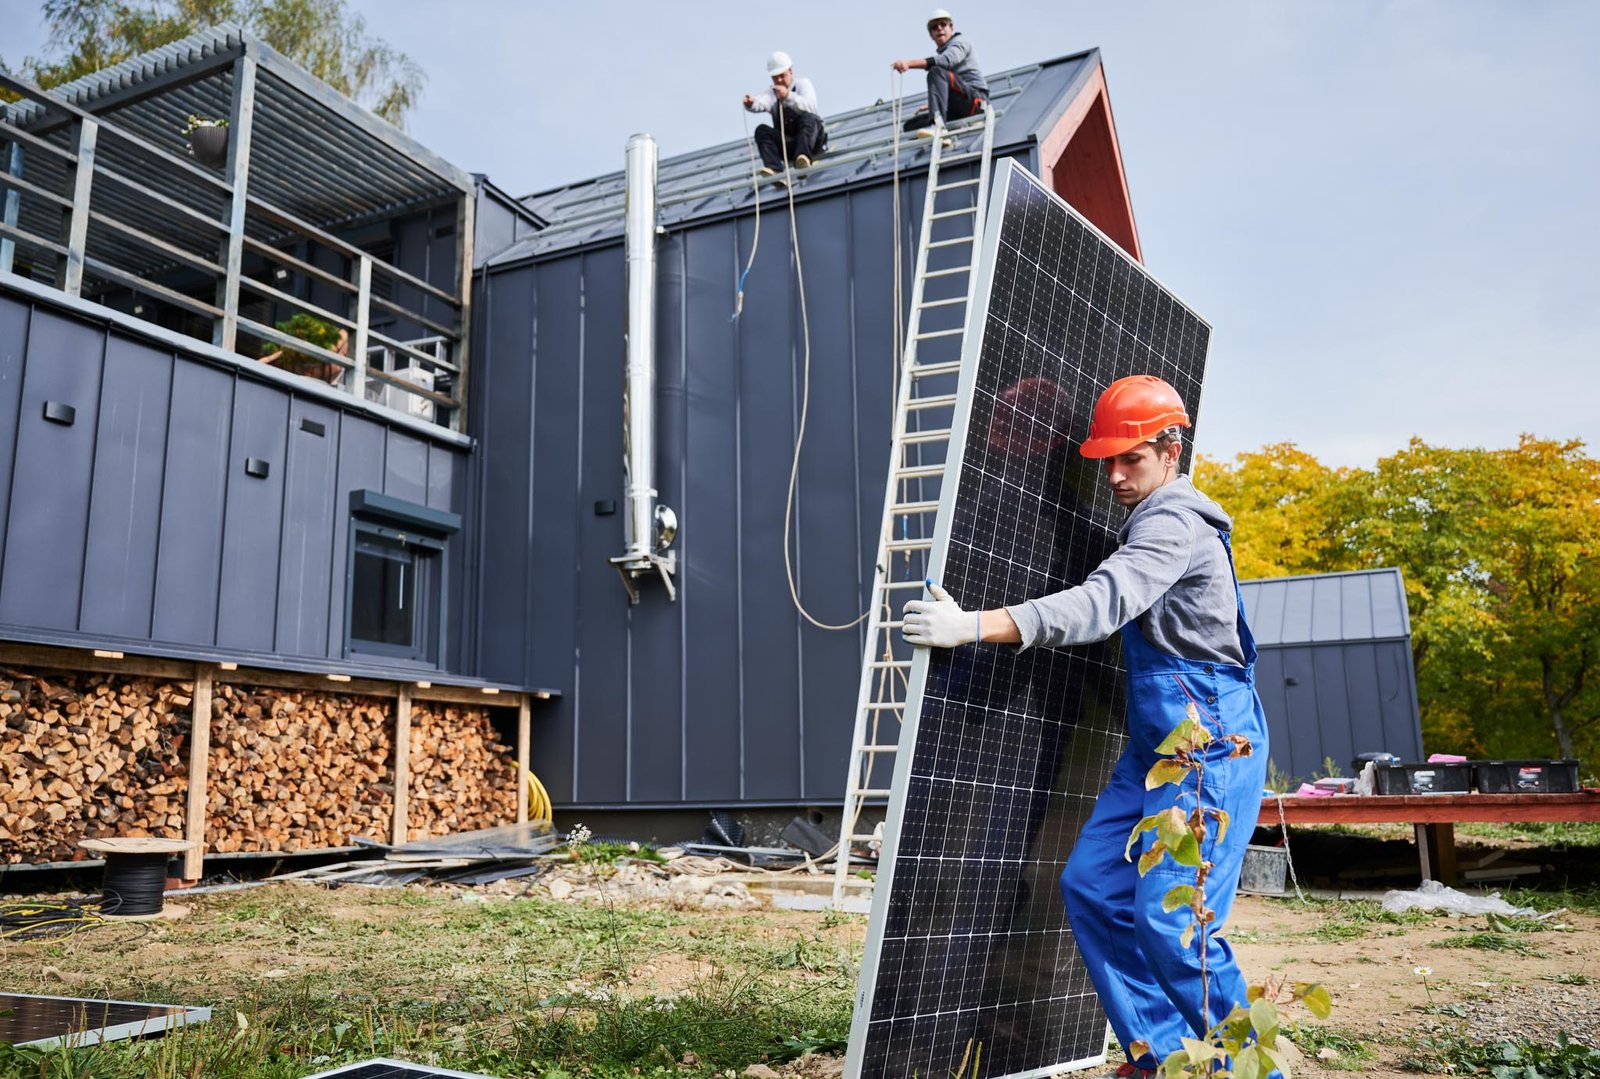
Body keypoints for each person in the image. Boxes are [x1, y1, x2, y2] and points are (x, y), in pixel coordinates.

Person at [901, 375, 1273, 1078]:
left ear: (1171, 447)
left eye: (1130, 457)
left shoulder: (1172, 522)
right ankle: (1158, 1055)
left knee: (1175, 920)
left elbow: (1103, 603)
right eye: (1106, 460)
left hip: (1207, 741)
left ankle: (1251, 1070)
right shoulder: (1146, 518)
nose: (1114, 475)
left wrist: (973, 627)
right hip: (1157, 743)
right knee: (1092, 884)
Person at [892, 8, 989, 137]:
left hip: (975, 100)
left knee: (936, 72)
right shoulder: (945, 51)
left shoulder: (960, 42)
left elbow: (946, 61)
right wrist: (934, 103)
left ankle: (938, 127)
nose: (939, 28)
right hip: (960, 102)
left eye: (943, 24)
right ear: (931, 35)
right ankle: (939, 127)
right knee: (911, 126)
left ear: (951, 28)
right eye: (934, 27)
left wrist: (909, 63)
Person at [743, 51, 826, 177]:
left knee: (809, 118)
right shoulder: (772, 93)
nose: (779, 80)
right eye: (775, 78)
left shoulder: (802, 84)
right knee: (762, 130)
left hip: (811, 141)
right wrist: (751, 103)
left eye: (782, 76)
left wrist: (788, 96)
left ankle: (803, 159)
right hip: (790, 145)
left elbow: (811, 106)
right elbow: (762, 102)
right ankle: (774, 168)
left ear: (790, 71)